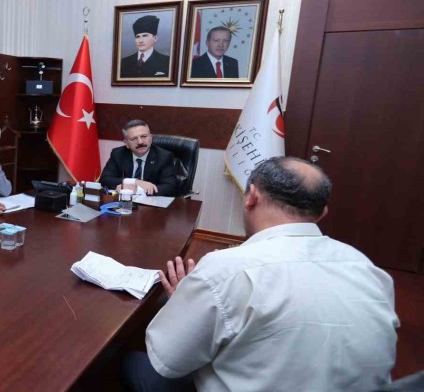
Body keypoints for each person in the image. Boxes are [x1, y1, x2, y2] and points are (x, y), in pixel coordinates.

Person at [123, 157, 399, 392]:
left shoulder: (225, 269)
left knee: (129, 360)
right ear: (322, 213)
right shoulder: (367, 268)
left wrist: (183, 304)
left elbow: (169, 362)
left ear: (252, 196)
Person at [99, 120, 183, 197]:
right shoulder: (118, 154)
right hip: (125, 202)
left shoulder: (164, 156)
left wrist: (137, 189)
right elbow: (104, 180)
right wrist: (135, 182)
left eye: (144, 136)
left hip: (152, 204)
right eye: (133, 139)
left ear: (150, 138)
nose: (140, 142)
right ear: (126, 143)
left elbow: (170, 187)